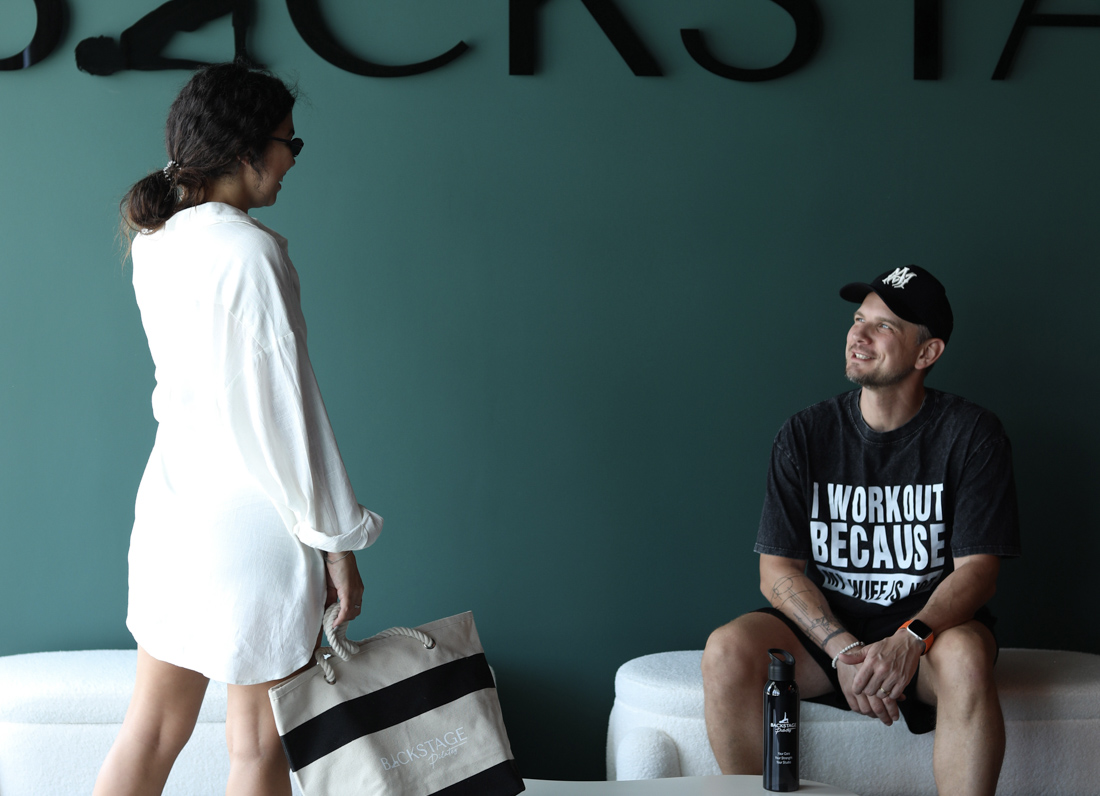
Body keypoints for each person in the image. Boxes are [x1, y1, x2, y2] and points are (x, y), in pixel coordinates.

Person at [94, 61, 382, 796]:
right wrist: (336, 539)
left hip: (173, 508)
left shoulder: (157, 241)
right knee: (258, 748)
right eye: (288, 142)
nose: (291, 158)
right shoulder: (252, 252)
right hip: (252, 523)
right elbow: (288, 414)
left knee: (150, 731)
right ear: (245, 147)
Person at [702, 265, 1021, 795]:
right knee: (727, 649)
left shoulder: (972, 436)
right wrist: (843, 650)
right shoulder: (805, 434)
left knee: (966, 658)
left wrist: (910, 638)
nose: (859, 334)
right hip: (828, 636)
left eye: (885, 325)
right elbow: (776, 572)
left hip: (929, 637)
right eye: (858, 319)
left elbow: (979, 575)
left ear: (927, 354)